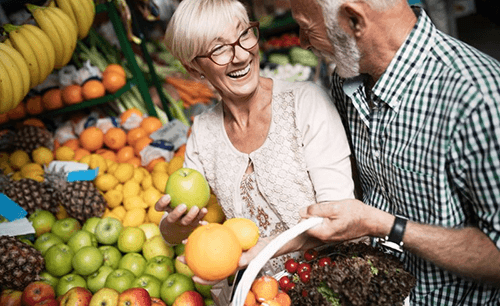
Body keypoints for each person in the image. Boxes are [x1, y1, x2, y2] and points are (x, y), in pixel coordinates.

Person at [288, 0, 500, 304]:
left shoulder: (479, 99)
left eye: (308, 29)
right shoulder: (346, 82)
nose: (303, 43)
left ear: (353, 20)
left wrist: (385, 225)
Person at [155, 0, 355, 282]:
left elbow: (340, 217)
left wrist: (267, 248)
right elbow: (176, 232)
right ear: (194, 70)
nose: (240, 55)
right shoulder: (203, 132)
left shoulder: (304, 104)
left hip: (335, 282)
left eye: (244, 35)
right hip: (261, 295)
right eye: (219, 48)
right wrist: (176, 224)